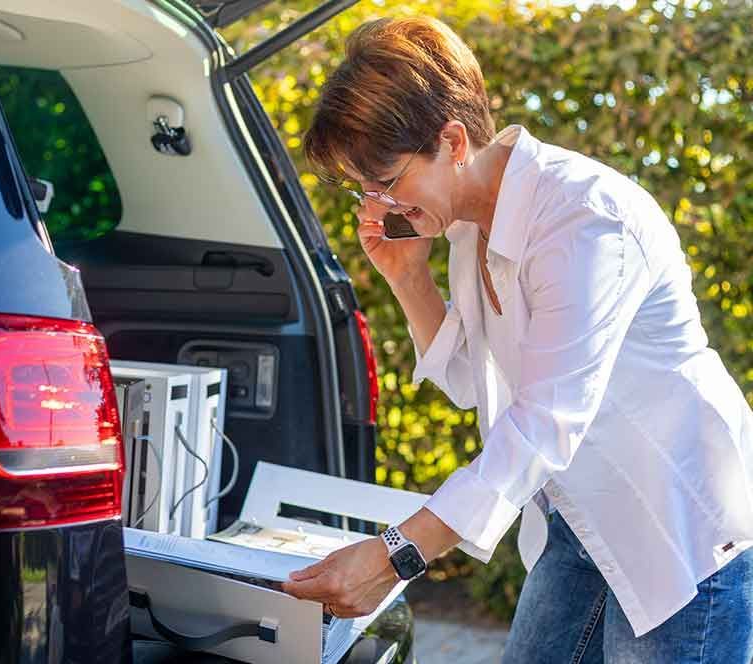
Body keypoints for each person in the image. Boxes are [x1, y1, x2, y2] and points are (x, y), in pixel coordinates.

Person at [282, 15, 753, 663]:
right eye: (364, 189)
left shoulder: (584, 220)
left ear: (451, 141)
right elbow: (478, 387)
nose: (377, 205)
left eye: (386, 182)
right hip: (580, 523)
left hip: (679, 535)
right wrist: (408, 278)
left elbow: (543, 422)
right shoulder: (470, 223)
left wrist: (396, 556)